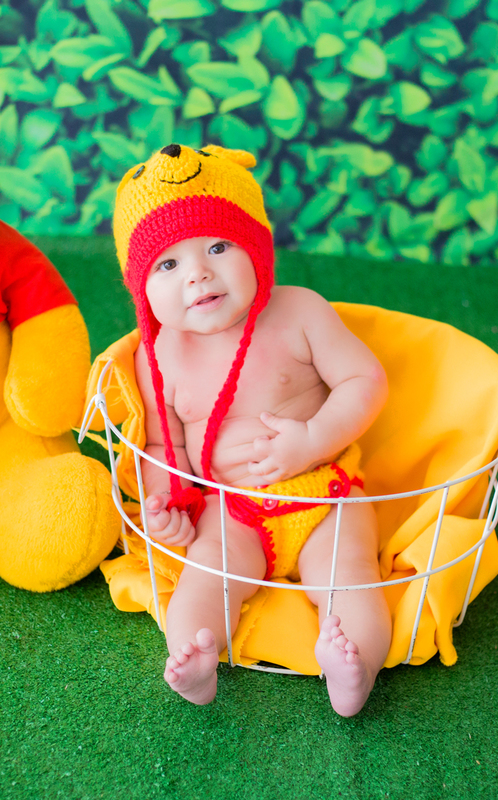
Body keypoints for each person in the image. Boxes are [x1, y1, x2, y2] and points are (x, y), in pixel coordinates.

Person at [112, 143, 391, 717]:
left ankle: (356, 665)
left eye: (218, 246)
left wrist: (312, 439)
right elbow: (165, 446)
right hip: (231, 511)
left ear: (257, 248)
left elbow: (365, 380)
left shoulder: (300, 312)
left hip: (325, 494)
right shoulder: (157, 354)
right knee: (203, 578)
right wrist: (166, 502)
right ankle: (195, 655)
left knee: (349, 574)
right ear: (142, 287)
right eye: (168, 264)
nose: (199, 274)